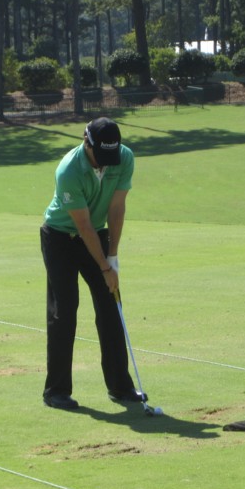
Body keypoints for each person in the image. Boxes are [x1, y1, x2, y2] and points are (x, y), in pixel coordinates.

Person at [40, 117, 144, 410]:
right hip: (61, 236)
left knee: (111, 306)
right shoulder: (69, 169)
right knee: (65, 310)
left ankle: (120, 387)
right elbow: (82, 225)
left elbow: (117, 208)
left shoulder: (123, 158)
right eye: (100, 156)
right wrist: (104, 267)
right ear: (86, 142)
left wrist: (113, 257)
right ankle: (56, 391)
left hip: (98, 234)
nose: (104, 164)